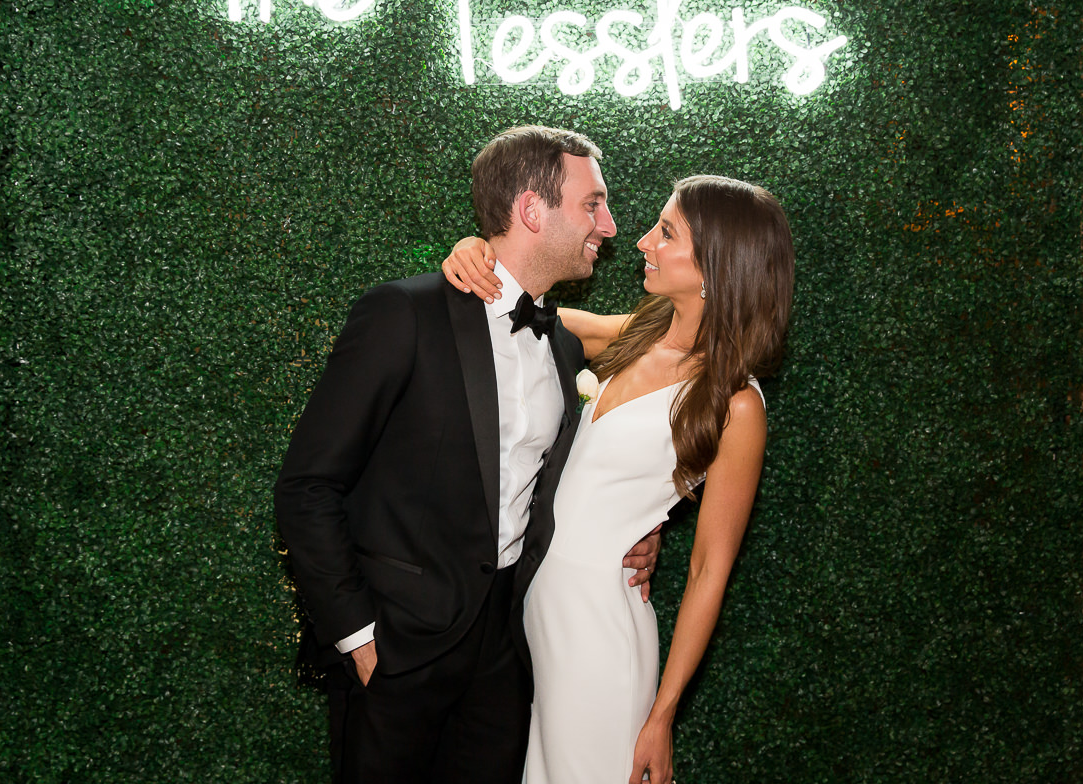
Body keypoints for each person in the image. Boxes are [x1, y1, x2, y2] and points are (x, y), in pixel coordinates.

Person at [274, 125, 664, 784]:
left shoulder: (564, 345)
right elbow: (307, 487)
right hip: (398, 650)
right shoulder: (405, 313)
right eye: (592, 203)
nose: (611, 223)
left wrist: (637, 529)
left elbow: (554, 488)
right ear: (533, 211)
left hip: (508, 654)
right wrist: (360, 638)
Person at [442, 174, 795, 784]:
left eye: (666, 232)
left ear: (715, 265)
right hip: (530, 622)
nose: (640, 242)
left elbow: (710, 570)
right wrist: (476, 252)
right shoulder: (636, 334)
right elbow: (524, 313)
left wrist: (663, 716)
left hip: (600, 641)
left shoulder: (736, 405)